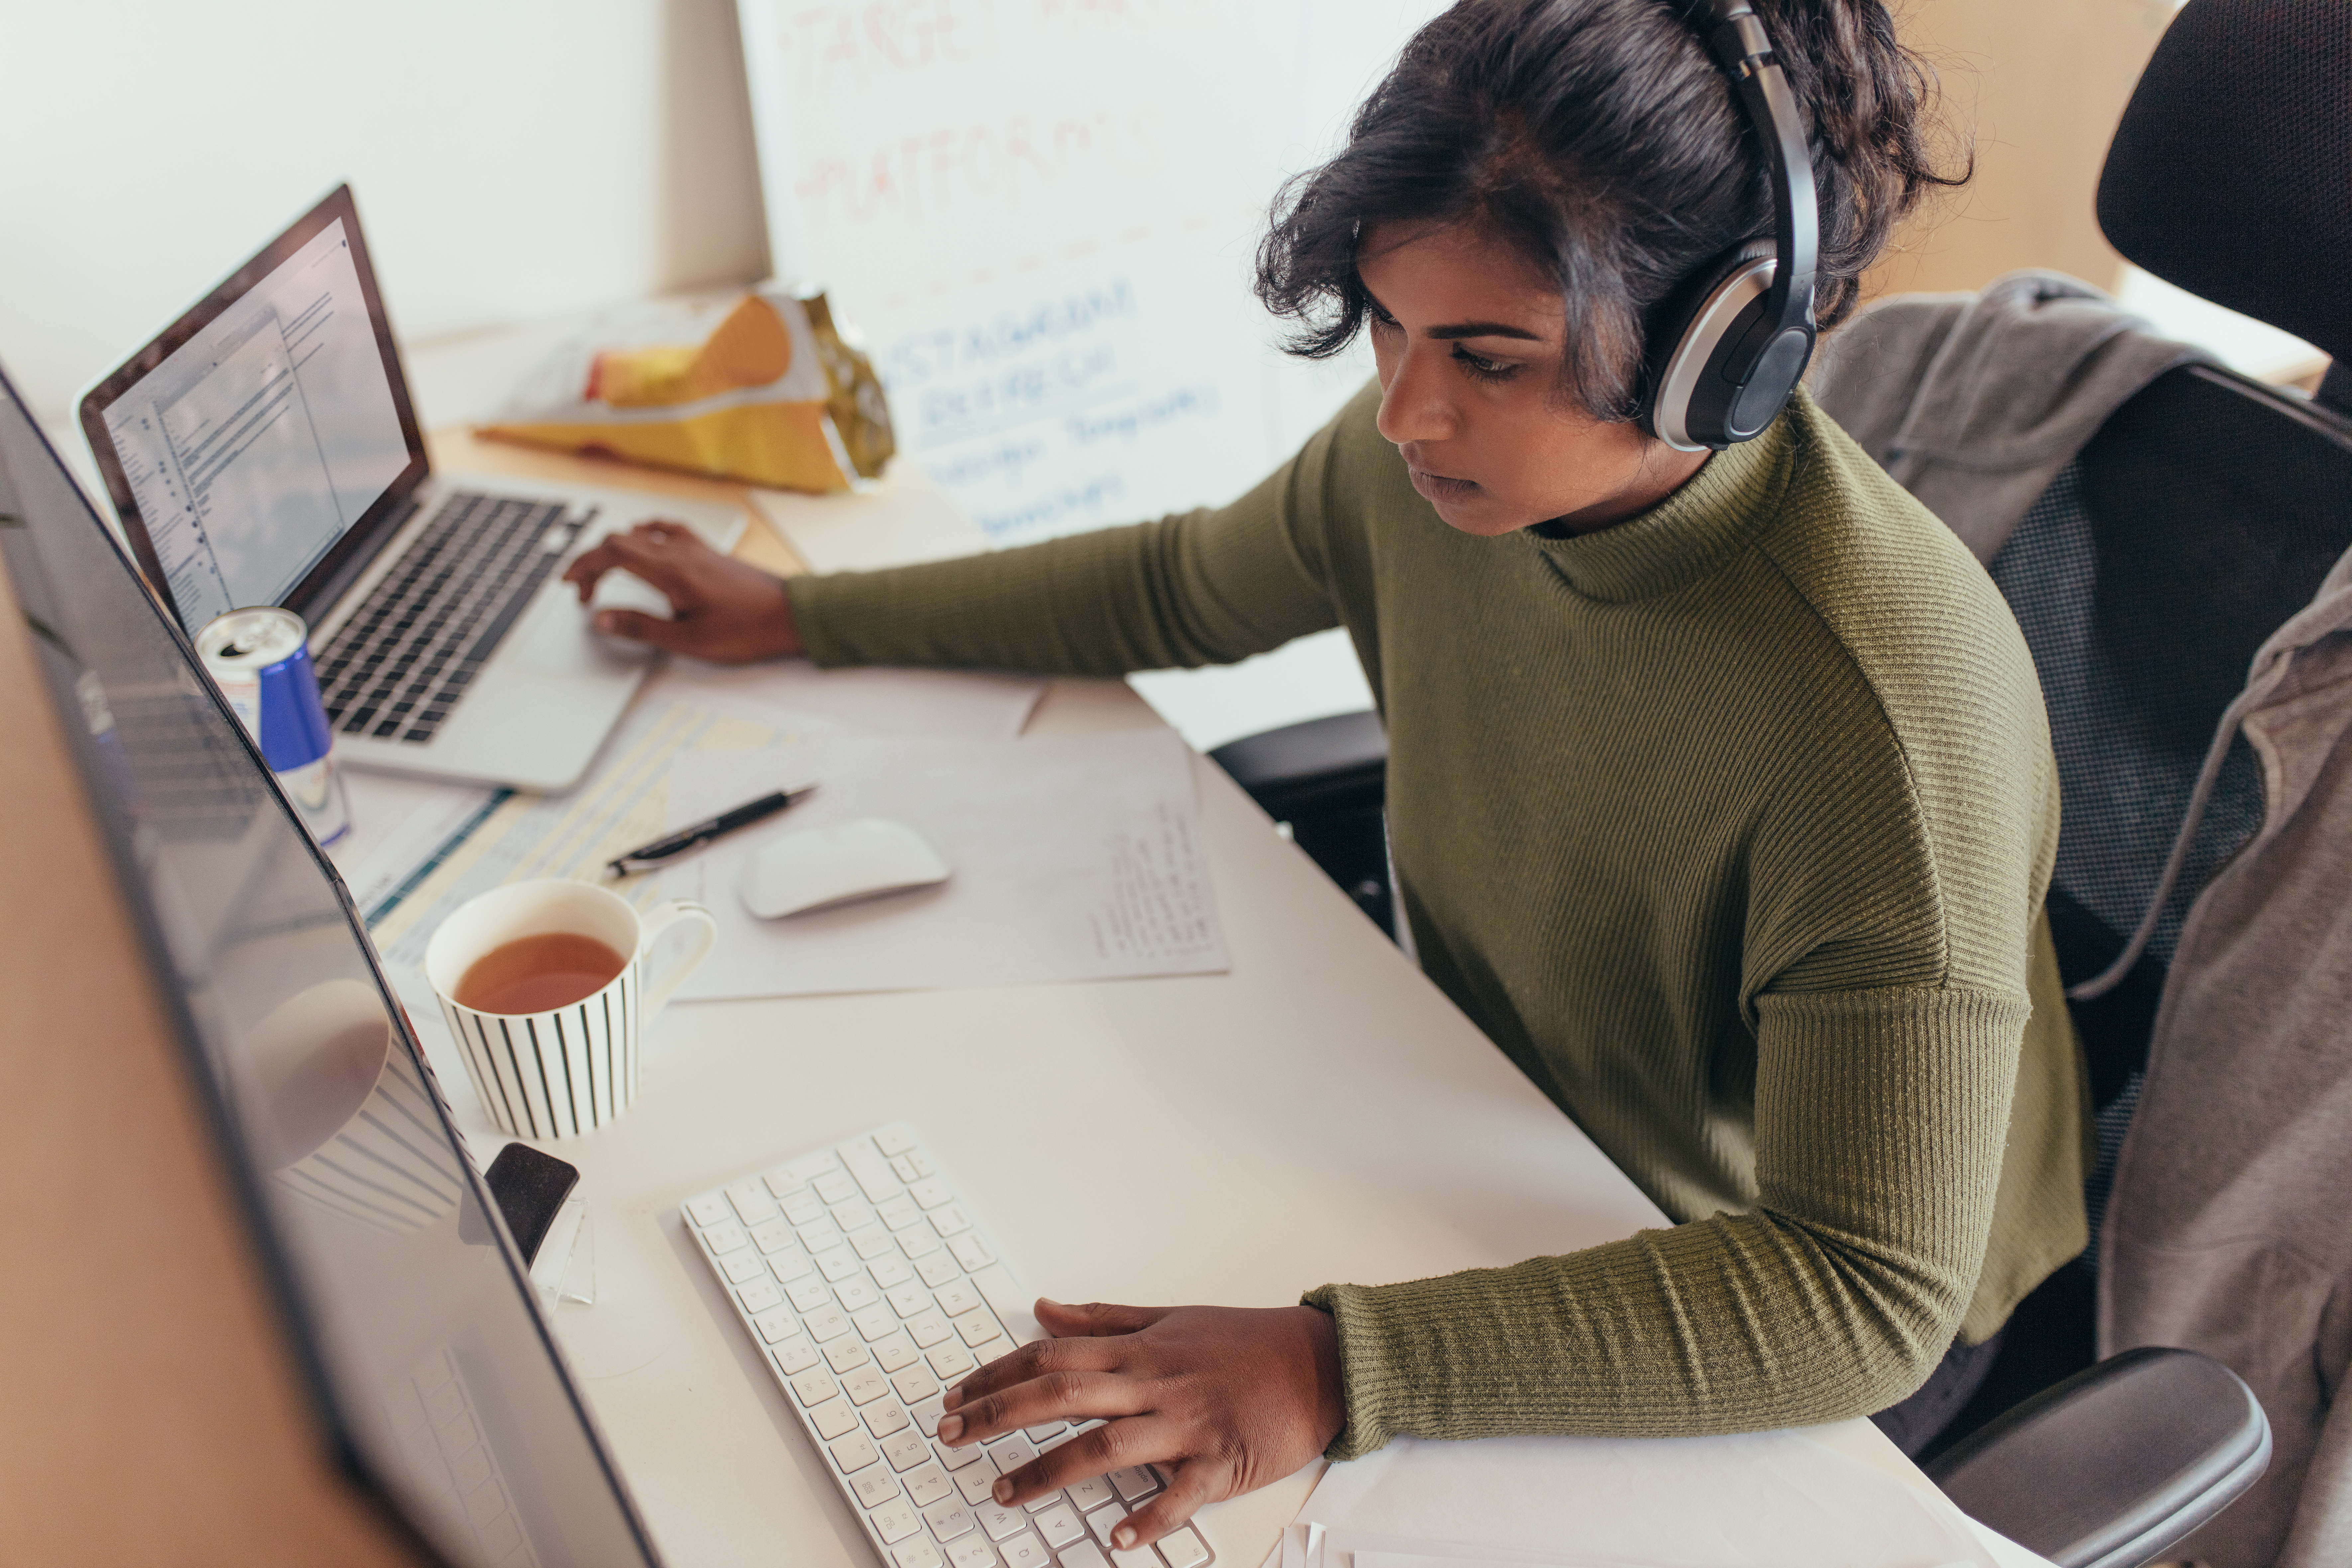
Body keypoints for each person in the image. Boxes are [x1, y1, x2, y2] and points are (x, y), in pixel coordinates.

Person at [566, 0, 2089, 1548]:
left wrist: (1336, 1361)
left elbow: (1864, 1289)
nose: (1405, 413)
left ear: (1723, 351)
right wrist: (803, 615)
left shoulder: (1885, 725)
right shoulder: (1428, 473)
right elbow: (1174, 588)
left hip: (1756, 1295)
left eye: (1489, 359)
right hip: (1488, 1117)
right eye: (1388, 323)